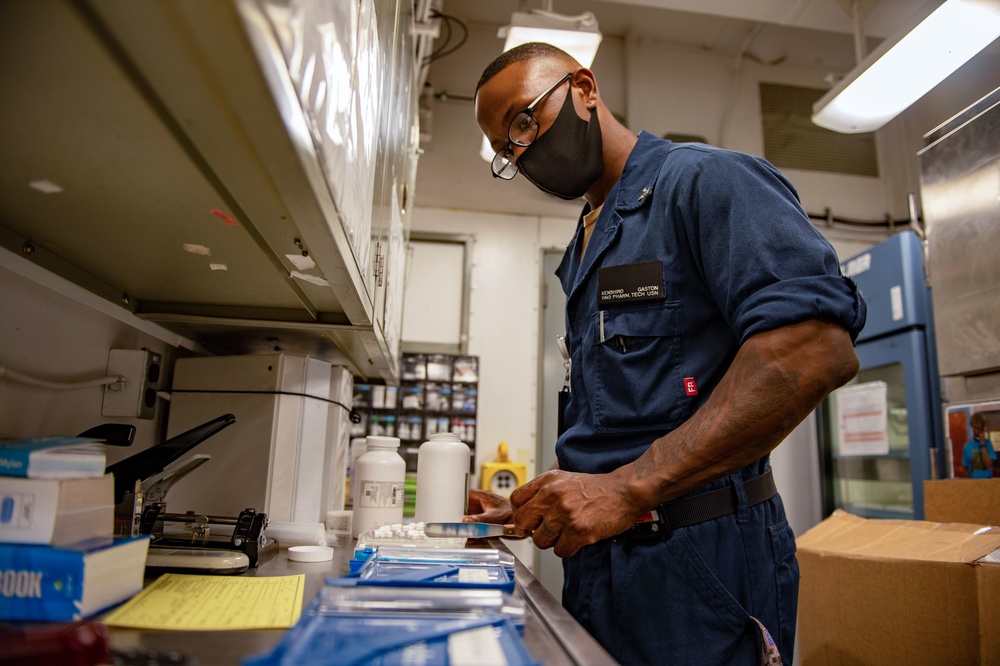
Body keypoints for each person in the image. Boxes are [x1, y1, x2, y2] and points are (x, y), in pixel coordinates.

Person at [467, 43, 867, 666]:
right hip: (603, 569)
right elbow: (623, 417)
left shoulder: (706, 181)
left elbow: (813, 350)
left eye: (524, 120)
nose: (519, 153)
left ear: (585, 89)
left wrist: (627, 490)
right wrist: (533, 506)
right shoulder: (586, 242)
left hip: (702, 565)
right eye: (505, 151)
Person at [963, 412, 996, 478]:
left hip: (987, 480)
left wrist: (982, 444)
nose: (977, 431)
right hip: (974, 480)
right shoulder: (967, 446)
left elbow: (988, 465)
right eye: (975, 428)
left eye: (979, 429)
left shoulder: (988, 444)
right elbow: (965, 467)